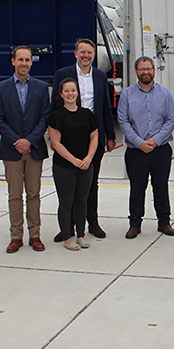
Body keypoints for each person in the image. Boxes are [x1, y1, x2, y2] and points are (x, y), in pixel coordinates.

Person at [51, 38, 116, 239]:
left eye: (90, 52)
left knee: (91, 182)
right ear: (76, 54)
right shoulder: (63, 75)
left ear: (94, 55)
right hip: (69, 137)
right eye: (82, 52)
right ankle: (67, 228)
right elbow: (55, 106)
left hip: (93, 137)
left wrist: (111, 136)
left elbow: (106, 107)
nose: (86, 55)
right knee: (69, 184)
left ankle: (92, 222)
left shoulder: (99, 76)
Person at [0, 45, 51, 254]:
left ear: (31, 62)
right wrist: (17, 141)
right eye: (21, 60)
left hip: (34, 150)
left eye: (27, 60)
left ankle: (35, 235)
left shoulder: (42, 88)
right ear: (13, 62)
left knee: (34, 194)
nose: (24, 64)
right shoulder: (0, 89)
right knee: (14, 195)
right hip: (11, 150)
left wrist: (30, 141)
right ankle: (16, 236)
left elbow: (45, 117)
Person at [117, 56, 174, 239]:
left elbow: (171, 119)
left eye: (149, 68)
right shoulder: (127, 95)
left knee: (161, 187)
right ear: (136, 72)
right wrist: (139, 142)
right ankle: (135, 224)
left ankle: (164, 222)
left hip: (160, 150)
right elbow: (123, 120)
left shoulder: (165, 94)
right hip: (136, 151)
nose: (146, 72)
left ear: (154, 70)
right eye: (142, 69)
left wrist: (156, 140)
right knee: (137, 188)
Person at [47, 79, 99, 251]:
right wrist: (74, 160)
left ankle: (81, 235)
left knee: (81, 201)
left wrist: (88, 158)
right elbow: (56, 143)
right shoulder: (56, 116)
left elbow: (94, 138)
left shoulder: (87, 114)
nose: (70, 94)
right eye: (67, 91)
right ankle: (67, 237)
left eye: (73, 90)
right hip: (65, 166)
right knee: (66, 202)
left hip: (85, 165)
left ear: (78, 92)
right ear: (61, 94)